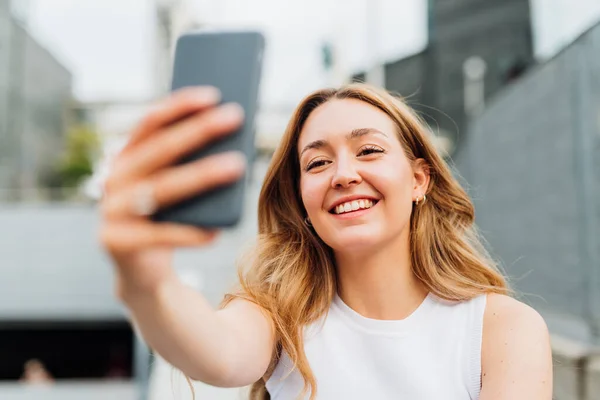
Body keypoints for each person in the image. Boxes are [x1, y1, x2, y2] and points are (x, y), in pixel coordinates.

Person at [99, 83, 553, 399]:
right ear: (300, 199)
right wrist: (146, 283)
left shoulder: (503, 329)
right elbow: (214, 351)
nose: (344, 175)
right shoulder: (278, 318)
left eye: (369, 150)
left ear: (419, 180)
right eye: (317, 164)